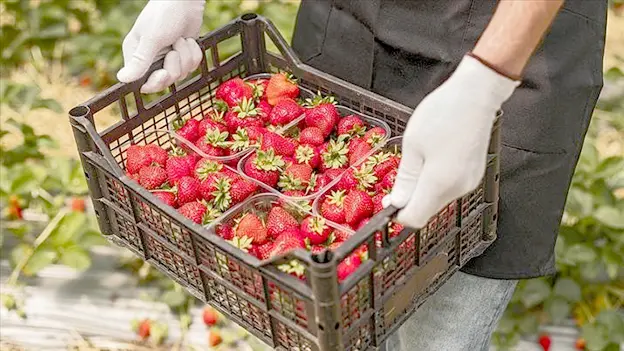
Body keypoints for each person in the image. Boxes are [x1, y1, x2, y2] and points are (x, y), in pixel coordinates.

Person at [117, 1, 607, 350]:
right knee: (321, 319)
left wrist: (486, 82)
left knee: (442, 337)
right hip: (353, 23)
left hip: (519, 42)